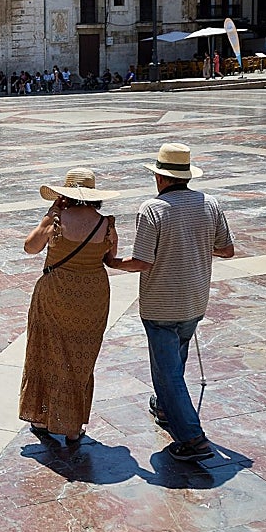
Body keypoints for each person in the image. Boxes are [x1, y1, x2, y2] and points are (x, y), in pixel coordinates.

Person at [106, 143, 235, 462]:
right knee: (176, 357)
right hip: (195, 298)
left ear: (161, 178)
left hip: (161, 302)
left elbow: (142, 262)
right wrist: (196, 246)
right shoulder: (211, 203)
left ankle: (193, 439)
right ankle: (165, 407)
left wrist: (114, 262)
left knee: (167, 372)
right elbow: (227, 249)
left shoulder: (153, 209)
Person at [19, 168, 121, 443]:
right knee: (81, 358)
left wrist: (50, 215)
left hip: (55, 294)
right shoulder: (107, 224)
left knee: (46, 351)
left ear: (65, 195)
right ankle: (74, 426)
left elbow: (30, 247)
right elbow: (111, 257)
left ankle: (41, 417)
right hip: (92, 297)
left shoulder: (55, 220)